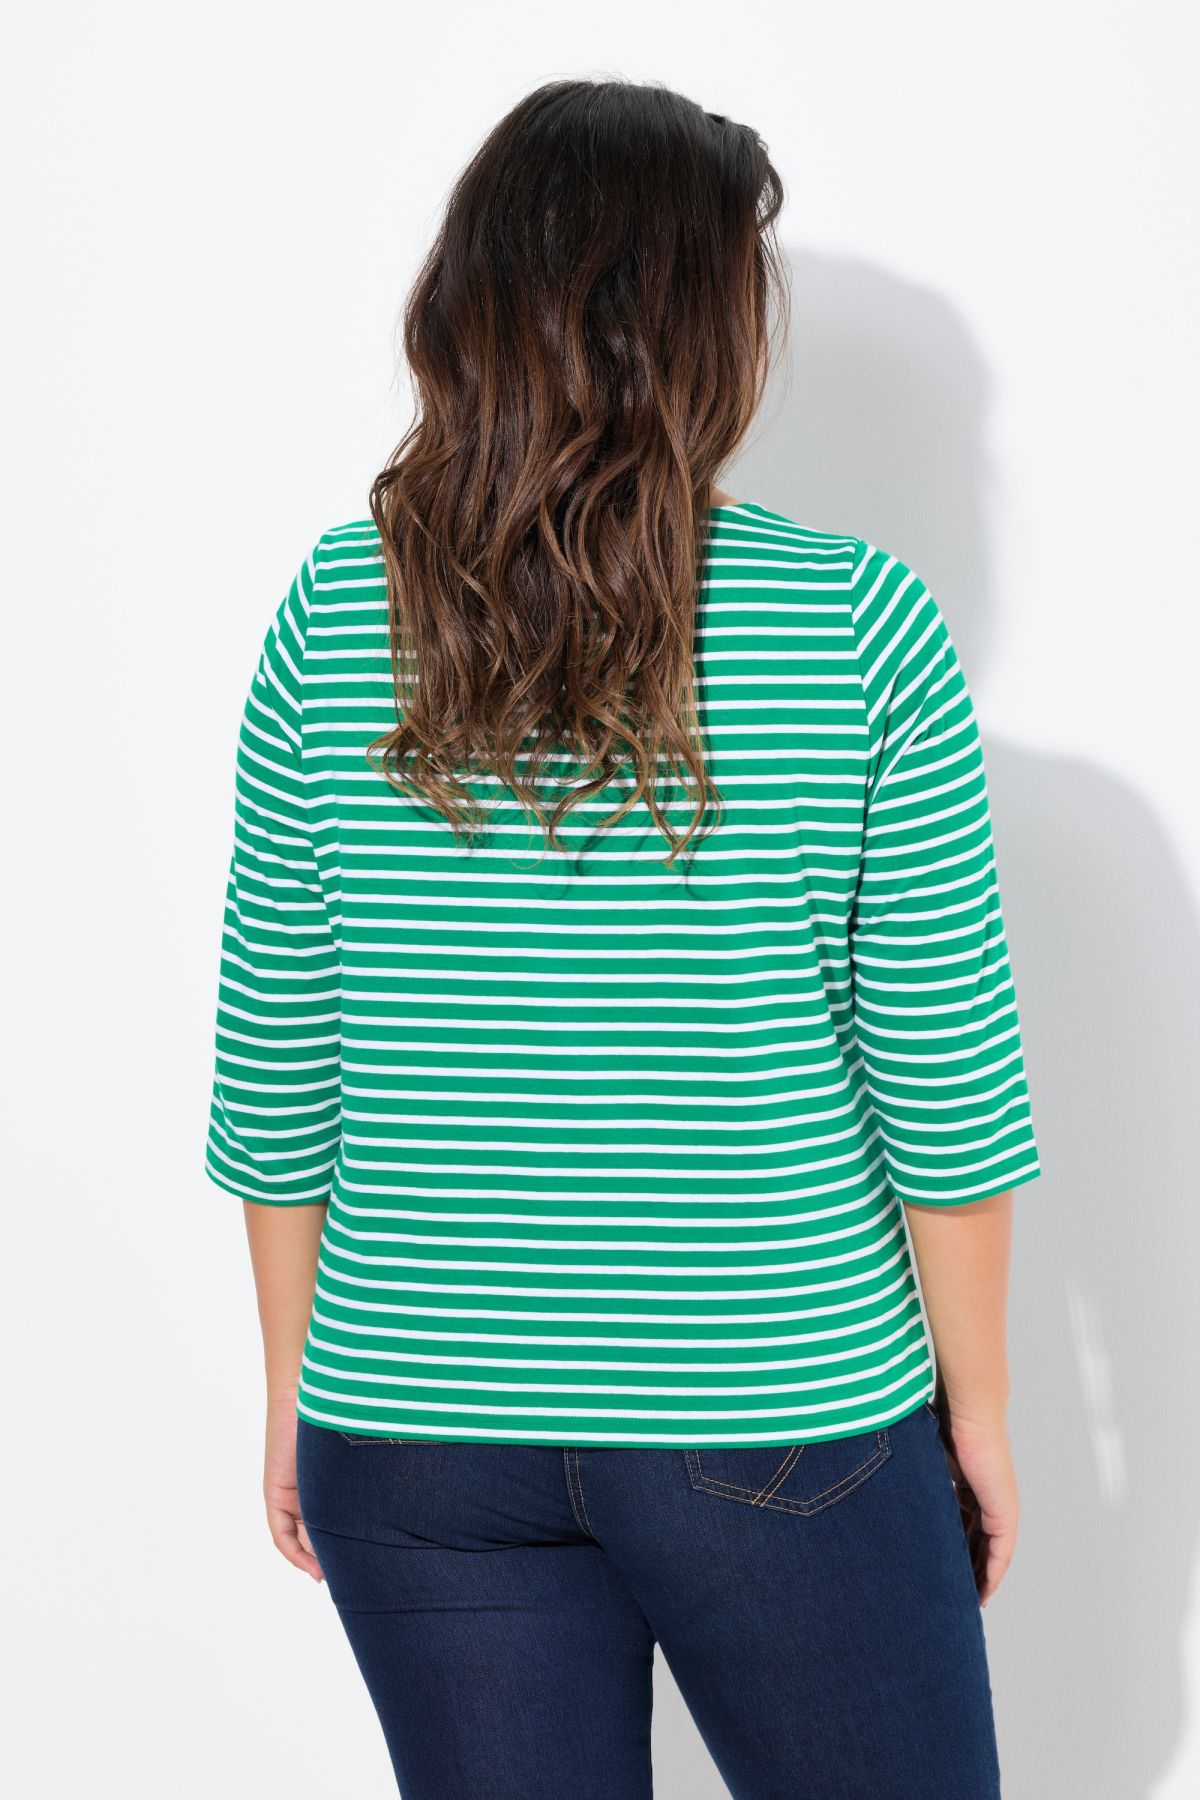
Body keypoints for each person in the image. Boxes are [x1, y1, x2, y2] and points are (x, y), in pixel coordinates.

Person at [203, 77, 1041, 1800]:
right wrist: (981, 1414)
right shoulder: (858, 624)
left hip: (413, 1422)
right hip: (778, 1400)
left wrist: (299, 1386)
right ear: (702, 330)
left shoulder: (331, 614)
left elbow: (279, 1066)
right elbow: (946, 1089)